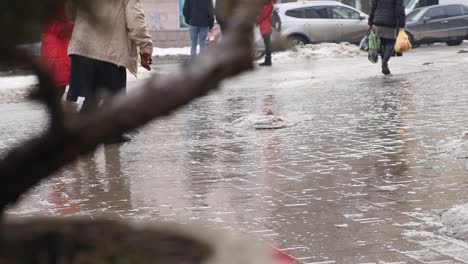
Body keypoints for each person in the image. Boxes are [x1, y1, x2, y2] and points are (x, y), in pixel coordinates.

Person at [66, 0, 153, 144]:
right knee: (113, 96)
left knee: (93, 94)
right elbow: (135, 21)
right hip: (108, 50)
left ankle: (81, 132)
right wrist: (145, 47)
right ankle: (109, 132)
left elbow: (70, 11)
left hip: (82, 45)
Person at [40, 5, 74, 98]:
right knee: (58, 89)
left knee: (55, 88)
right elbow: (63, 30)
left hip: (51, 55)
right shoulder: (59, 21)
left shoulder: (48, 23)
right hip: (58, 59)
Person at [368, 0, 406, 75]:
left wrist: (370, 22)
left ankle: (384, 64)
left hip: (378, 21)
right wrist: (402, 24)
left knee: (382, 43)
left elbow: (373, 7)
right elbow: (400, 9)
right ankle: (385, 61)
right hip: (390, 22)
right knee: (391, 43)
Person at [257, 0, 275, 67]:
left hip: (266, 27)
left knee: (267, 44)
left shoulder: (268, 5)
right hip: (265, 27)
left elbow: (263, 15)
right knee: (267, 44)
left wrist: (257, 21)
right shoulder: (267, 5)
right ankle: (268, 60)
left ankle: (268, 61)